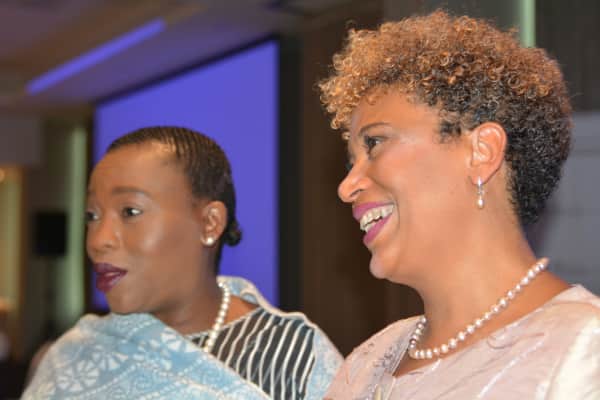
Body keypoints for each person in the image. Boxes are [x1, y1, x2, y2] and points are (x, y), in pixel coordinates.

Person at [318, 10, 600, 399]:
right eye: (351, 163)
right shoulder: (367, 364)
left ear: (482, 151)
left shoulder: (582, 351)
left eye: (375, 143)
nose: (347, 187)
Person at [23, 126, 342, 399]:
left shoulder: (294, 355)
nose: (98, 240)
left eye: (130, 212)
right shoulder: (73, 357)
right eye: (91, 216)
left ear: (210, 223)